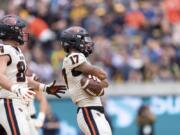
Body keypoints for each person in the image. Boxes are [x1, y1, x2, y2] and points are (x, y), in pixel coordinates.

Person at [0, 15, 66, 135]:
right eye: (20, 30)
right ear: (11, 32)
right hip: (9, 102)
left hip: (18, 103)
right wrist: (17, 89)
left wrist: (45, 88)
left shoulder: (16, 51)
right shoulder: (4, 50)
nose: (23, 32)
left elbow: (22, 79)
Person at [61, 26, 112, 135]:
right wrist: (100, 81)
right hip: (88, 109)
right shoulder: (74, 56)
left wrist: (100, 83)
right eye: (84, 40)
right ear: (75, 41)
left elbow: (105, 83)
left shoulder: (79, 58)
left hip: (96, 110)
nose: (87, 43)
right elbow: (102, 74)